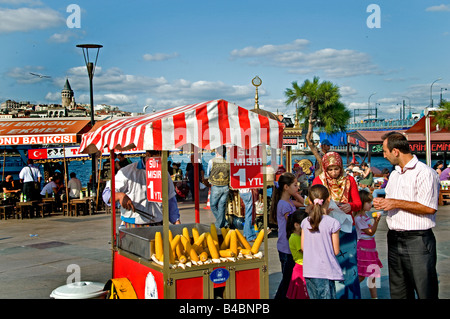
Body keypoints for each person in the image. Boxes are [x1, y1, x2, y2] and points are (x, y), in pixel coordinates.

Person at [373, 131, 440, 299]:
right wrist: (384, 203)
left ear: (396, 151)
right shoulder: (395, 174)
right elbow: (392, 200)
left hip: (417, 239)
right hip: (395, 238)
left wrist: (394, 203)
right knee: (399, 291)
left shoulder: (424, 173)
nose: (384, 155)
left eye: (385, 151)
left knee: (425, 289)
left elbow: (429, 207)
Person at [312, 151, 362, 299]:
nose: (334, 173)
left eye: (337, 169)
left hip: (346, 229)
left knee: (350, 267)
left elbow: (358, 203)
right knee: (330, 267)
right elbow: (312, 202)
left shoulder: (349, 180)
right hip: (327, 229)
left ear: (341, 167)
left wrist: (350, 206)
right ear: (325, 168)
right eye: (330, 169)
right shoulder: (318, 181)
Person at [102, 150, 181, 227]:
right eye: (158, 160)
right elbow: (106, 194)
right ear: (148, 155)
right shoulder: (127, 172)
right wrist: (120, 196)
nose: (161, 163)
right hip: (133, 223)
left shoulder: (164, 173)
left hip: (158, 223)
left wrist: (177, 223)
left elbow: (170, 199)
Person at [301, 184, 343, 299]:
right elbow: (335, 250)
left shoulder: (305, 222)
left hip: (309, 270)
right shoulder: (333, 223)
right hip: (325, 271)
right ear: (328, 199)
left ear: (310, 201)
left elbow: (303, 247)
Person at [269, 172, 300, 299]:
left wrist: (295, 193)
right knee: (287, 281)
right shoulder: (284, 204)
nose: (297, 187)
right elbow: (292, 224)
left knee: (288, 280)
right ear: (286, 187)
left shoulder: (289, 202)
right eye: (295, 185)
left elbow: (305, 204)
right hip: (286, 247)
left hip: (287, 246)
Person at [354, 189, 383, 299]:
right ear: (361, 203)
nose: (370, 204)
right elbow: (370, 232)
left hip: (371, 249)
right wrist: (376, 221)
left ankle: (374, 297)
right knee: (361, 275)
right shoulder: (359, 218)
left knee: (373, 274)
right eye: (368, 202)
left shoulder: (365, 216)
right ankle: (351, 290)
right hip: (364, 249)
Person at [286, 210, 309, 299]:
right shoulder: (296, 238)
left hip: (301, 267)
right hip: (301, 268)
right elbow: (305, 251)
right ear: (296, 225)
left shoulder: (296, 236)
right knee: (302, 294)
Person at [206, 146, 230, 229]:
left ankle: (219, 225)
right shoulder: (227, 162)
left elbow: (208, 173)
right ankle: (224, 222)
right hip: (226, 186)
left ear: (217, 151)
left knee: (213, 206)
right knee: (221, 206)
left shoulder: (211, 161)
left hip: (216, 186)